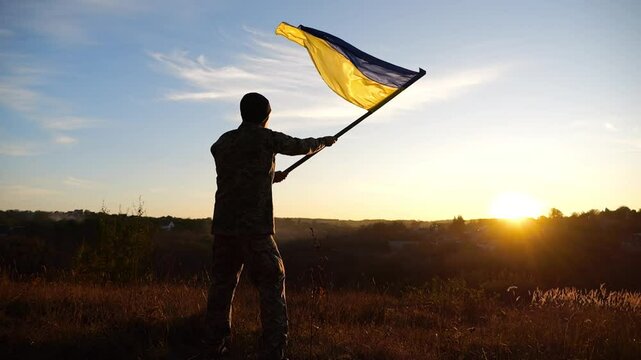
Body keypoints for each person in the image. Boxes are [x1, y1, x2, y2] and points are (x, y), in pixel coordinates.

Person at [205, 92, 336, 360]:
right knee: (272, 283)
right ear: (266, 115)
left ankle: (214, 346)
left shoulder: (222, 142)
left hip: (224, 228)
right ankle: (273, 351)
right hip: (255, 230)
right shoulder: (267, 138)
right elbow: (300, 145)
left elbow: (238, 175)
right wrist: (324, 142)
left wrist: (269, 177)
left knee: (222, 286)